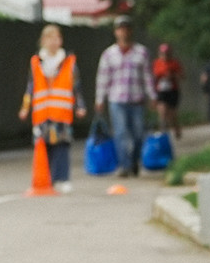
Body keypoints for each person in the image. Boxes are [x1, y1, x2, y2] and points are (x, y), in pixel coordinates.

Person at [18, 23, 85, 192]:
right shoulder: (36, 62)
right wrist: (25, 107)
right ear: (43, 41)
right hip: (42, 113)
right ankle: (46, 178)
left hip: (61, 112)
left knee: (61, 145)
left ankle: (62, 178)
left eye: (56, 38)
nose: (53, 42)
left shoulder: (68, 61)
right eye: (49, 38)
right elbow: (30, 87)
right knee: (43, 146)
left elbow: (76, 86)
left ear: (60, 40)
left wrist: (80, 106)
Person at [95, 18, 152, 179]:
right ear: (115, 32)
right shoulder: (108, 54)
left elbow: (147, 77)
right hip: (116, 99)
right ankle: (124, 165)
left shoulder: (142, 52)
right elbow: (103, 78)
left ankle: (135, 161)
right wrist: (99, 99)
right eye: (120, 29)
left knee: (138, 134)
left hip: (137, 99)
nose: (123, 32)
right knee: (120, 133)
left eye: (126, 28)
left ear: (131, 31)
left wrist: (152, 96)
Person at [152, 40, 186, 142]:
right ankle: (163, 132)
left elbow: (183, 76)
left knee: (172, 114)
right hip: (161, 91)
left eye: (167, 53)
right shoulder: (156, 63)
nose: (165, 55)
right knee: (162, 111)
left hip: (172, 91)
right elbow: (152, 76)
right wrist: (160, 76)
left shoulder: (174, 63)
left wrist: (172, 76)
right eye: (163, 54)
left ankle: (176, 129)